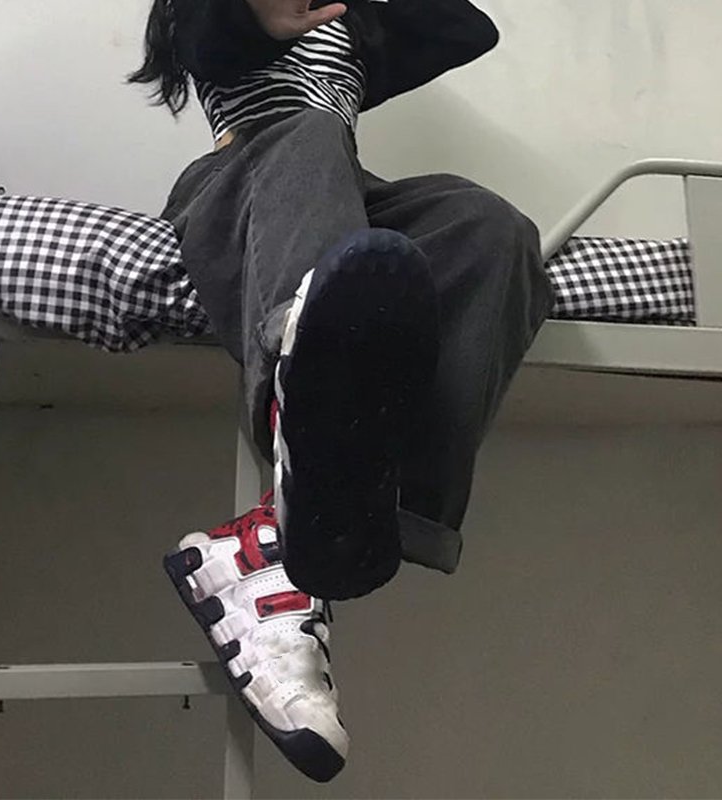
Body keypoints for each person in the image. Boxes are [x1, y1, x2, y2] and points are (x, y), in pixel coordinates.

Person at [130, 0, 554, 782]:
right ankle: (311, 345)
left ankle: (370, 510)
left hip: (349, 196)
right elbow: (203, 35)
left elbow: (469, 30)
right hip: (248, 181)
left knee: (490, 225)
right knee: (312, 133)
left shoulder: (345, 22)